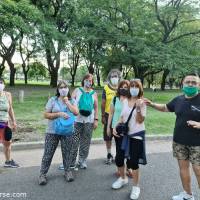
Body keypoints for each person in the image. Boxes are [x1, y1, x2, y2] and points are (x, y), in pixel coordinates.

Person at [144, 73, 200, 200]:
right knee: (183, 169)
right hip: (179, 142)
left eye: (194, 82)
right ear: (183, 84)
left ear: (199, 85)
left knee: (198, 170)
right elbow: (165, 108)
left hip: (198, 143)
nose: (190, 84)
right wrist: (152, 104)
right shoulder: (178, 99)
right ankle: (187, 194)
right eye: (188, 82)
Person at [112, 79, 147, 200]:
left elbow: (140, 120)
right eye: (131, 86)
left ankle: (136, 187)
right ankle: (122, 178)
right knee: (119, 159)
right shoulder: (125, 100)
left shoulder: (142, 102)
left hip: (136, 135)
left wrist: (137, 108)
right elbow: (122, 117)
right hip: (124, 135)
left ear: (140, 88)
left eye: (136, 86)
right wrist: (115, 127)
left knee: (133, 162)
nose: (133, 88)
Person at [38, 80, 79, 185]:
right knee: (48, 153)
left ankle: (67, 172)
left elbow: (76, 112)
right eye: (61, 87)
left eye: (65, 87)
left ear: (68, 89)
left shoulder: (72, 101)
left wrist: (67, 102)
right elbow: (46, 115)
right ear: (58, 89)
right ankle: (42, 174)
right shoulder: (53, 100)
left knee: (67, 153)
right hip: (52, 131)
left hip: (68, 131)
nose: (63, 89)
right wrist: (59, 114)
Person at [71, 73, 98, 169]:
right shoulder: (77, 90)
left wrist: (96, 120)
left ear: (92, 82)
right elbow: (71, 101)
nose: (88, 82)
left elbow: (96, 107)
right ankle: (71, 161)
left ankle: (82, 160)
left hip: (89, 121)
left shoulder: (94, 93)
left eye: (90, 80)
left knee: (86, 141)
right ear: (83, 81)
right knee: (74, 141)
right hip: (77, 120)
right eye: (87, 80)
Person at [107, 80, 132, 177]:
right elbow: (111, 114)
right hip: (116, 129)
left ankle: (128, 168)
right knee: (119, 150)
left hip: (128, 128)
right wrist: (108, 128)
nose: (124, 89)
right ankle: (120, 169)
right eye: (122, 87)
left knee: (128, 150)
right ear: (119, 88)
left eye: (126, 87)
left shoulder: (130, 99)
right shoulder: (115, 99)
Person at [101, 69, 121, 164]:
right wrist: (102, 116)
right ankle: (109, 154)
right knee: (108, 136)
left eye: (116, 76)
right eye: (112, 76)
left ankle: (119, 155)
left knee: (119, 136)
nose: (114, 78)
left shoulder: (121, 88)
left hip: (119, 116)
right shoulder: (106, 88)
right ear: (109, 78)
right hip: (108, 115)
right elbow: (103, 102)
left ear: (119, 77)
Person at [0, 78, 18, 168]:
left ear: (4, 84)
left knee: (8, 143)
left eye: (1, 82)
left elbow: (10, 109)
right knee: (6, 143)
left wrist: (13, 121)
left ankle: (8, 161)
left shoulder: (7, 95)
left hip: (5, 123)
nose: (0, 84)